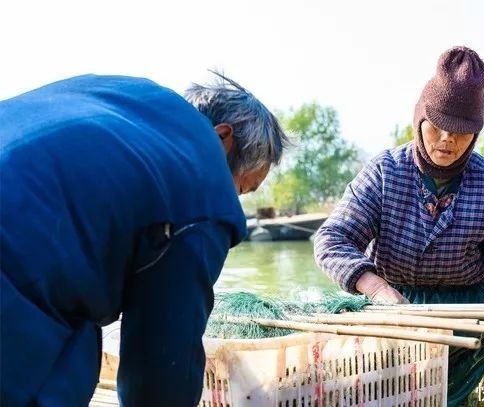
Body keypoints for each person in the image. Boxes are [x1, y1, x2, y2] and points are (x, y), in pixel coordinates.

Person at [0, 72, 289, 406]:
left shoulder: (126, 97)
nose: (232, 203)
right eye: (240, 189)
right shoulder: (200, 178)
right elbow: (163, 361)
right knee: (71, 356)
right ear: (223, 139)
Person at [314, 46, 484, 406]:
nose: (447, 140)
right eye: (437, 127)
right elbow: (332, 239)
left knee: (448, 401)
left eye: (460, 132)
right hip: (394, 309)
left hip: (467, 315)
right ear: (420, 118)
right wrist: (375, 288)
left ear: (475, 133)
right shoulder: (386, 172)